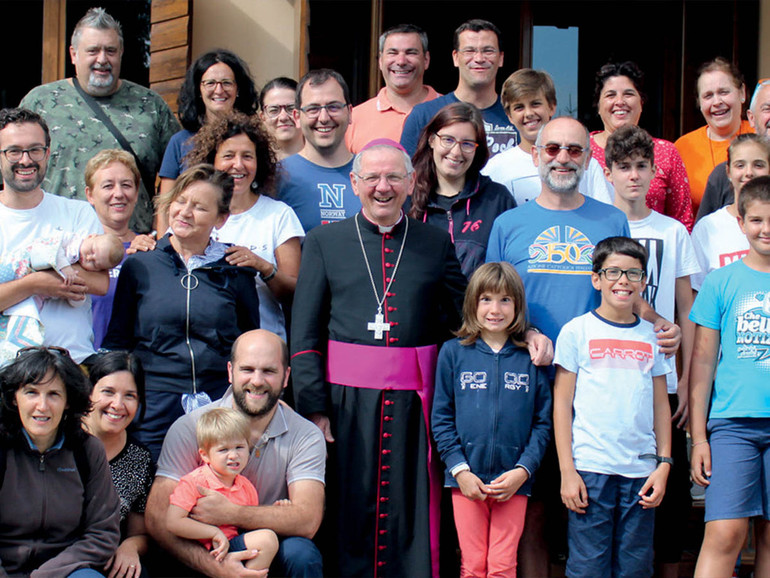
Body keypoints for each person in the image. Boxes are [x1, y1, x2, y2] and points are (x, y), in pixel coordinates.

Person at [486, 116, 680, 577]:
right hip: (525, 382)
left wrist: (658, 323)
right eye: (552, 149)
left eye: (574, 150)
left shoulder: (609, 218)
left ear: (588, 159)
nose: (562, 158)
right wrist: (523, 332)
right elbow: (490, 300)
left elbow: (625, 285)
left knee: (598, 518)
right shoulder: (509, 222)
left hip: (599, 391)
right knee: (531, 513)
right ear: (536, 155)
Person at [290, 139, 468, 577]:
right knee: (351, 506)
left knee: (410, 510)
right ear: (355, 183)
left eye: (393, 177)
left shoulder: (433, 241)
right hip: (345, 404)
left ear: (411, 183)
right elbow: (306, 331)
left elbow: (464, 315)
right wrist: (314, 407)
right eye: (372, 177)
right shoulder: (324, 242)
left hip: (415, 406)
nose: (382, 187)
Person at [102, 164, 261, 459]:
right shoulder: (141, 263)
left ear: (221, 218)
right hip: (154, 402)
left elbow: (248, 346)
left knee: (214, 490)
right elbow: (118, 339)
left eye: (200, 207)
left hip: (218, 401)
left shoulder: (237, 270)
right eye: (181, 201)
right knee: (149, 494)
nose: (185, 213)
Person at [145, 329, 325, 578]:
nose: (257, 380)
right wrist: (217, 568)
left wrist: (231, 512)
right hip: (205, 549)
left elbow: (307, 520)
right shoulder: (191, 426)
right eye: (247, 369)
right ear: (230, 372)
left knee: (301, 554)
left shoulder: (305, 435)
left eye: (269, 371)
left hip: (263, 548)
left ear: (286, 377)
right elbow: (157, 517)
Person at [605, 125, 700, 577]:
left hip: (663, 376)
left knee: (668, 487)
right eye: (624, 167)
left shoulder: (674, 231)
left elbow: (687, 308)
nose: (634, 176)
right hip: (610, 371)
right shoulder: (600, 224)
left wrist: (687, 380)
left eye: (642, 166)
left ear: (655, 172)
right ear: (608, 173)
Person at [553, 236, 673, 578]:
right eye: (614, 272)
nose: (623, 281)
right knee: (588, 567)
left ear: (643, 282)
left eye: (633, 274)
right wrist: (567, 470)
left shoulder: (652, 336)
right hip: (591, 470)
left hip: (641, 473)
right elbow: (562, 404)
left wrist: (664, 464)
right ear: (596, 279)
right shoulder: (577, 332)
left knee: (635, 567)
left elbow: (661, 405)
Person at [431, 262, 552, 577]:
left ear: (517, 306)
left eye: (505, 300)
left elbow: (542, 424)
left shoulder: (530, 358)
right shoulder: (453, 353)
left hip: (513, 483)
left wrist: (522, 472)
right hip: (465, 481)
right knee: (472, 565)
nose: (495, 309)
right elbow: (441, 418)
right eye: (486, 299)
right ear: (472, 302)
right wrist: (460, 471)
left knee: (502, 565)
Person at [20, 7, 180, 233]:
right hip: (57, 246)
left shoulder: (151, 106)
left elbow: (181, 178)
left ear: (121, 52)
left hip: (133, 252)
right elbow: (11, 169)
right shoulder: (40, 103)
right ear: (74, 54)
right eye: (93, 50)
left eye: (110, 50)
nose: (102, 59)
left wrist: (164, 236)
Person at [689, 175, 770, 578]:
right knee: (724, 531)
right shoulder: (722, 281)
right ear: (740, 222)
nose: (765, 229)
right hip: (733, 424)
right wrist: (699, 437)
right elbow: (703, 362)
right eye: (756, 220)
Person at [0, 346, 120, 577]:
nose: (42, 406)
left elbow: (102, 532)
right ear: (14, 398)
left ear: (68, 401)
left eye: (54, 394)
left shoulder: (87, 450)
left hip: (64, 571)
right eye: (31, 392)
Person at [0, 108, 108, 364]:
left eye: (35, 150)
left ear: (47, 154)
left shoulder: (78, 212)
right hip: (8, 371)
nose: (25, 160)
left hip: (74, 364)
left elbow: (100, 283)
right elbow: (83, 278)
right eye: (14, 151)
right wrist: (34, 284)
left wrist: (15, 288)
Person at [185, 112, 303, 340]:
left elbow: (295, 293)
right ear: (212, 160)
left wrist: (262, 266)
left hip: (263, 349)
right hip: (202, 350)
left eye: (247, 156)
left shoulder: (279, 215)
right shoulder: (190, 211)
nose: (238, 165)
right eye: (228, 155)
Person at [408, 102, 514, 276]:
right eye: (448, 140)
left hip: (478, 303)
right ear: (432, 140)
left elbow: (509, 273)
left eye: (467, 144)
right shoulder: (407, 198)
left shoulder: (497, 200)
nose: (456, 152)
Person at [166, 408, 279, 572]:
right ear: (204, 455)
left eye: (239, 447)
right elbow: (173, 522)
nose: (233, 455)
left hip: (231, 546)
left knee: (266, 539)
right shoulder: (195, 482)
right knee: (267, 539)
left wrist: (275, 510)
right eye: (223, 450)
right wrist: (213, 532)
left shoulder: (246, 486)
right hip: (201, 553)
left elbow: (251, 526)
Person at [482, 68, 613, 205]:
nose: (528, 113)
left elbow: (604, 215)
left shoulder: (584, 162)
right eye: (519, 107)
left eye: (535, 104)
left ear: (552, 106)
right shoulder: (495, 169)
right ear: (509, 116)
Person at [590, 61, 694, 231]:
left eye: (628, 94)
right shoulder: (581, 152)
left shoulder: (666, 152)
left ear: (642, 102)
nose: (619, 101)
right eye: (610, 95)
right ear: (598, 106)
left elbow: (683, 220)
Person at [401, 19, 518, 158]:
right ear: (455, 58)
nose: (479, 58)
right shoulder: (423, 115)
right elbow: (406, 175)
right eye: (469, 51)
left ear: (501, 58)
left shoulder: (518, 117)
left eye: (488, 51)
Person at [0, 231, 122, 364]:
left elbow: (100, 285)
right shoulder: (72, 240)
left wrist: (77, 297)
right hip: (20, 265)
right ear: (91, 236)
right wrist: (64, 269)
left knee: (23, 321)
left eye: (94, 263)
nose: (88, 258)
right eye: (91, 251)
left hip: (69, 355)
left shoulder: (95, 246)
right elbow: (52, 250)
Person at [83, 351, 154, 578]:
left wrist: (130, 547)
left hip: (106, 557)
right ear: (89, 393)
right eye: (108, 392)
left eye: (130, 396)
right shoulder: (63, 442)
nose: (118, 404)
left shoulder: (139, 458)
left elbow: (139, 532)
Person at [159, 49, 259, 195]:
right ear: (199, 89)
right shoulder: (179, 142)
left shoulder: (253, 138)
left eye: (227, 83)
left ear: (238, 89)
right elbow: (164, 205)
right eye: (210, 83)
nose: (219, 90)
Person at [84, 150, 155, 349]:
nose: (119, 194)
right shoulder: (78, 252)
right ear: (90, 194)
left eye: (126, 185)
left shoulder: (149, 251)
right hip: (82, 366)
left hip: (131, 369)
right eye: (108, 186)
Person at [277, 69, 360, 232]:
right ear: (296, 117)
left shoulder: (372, 175)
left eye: (334, 107)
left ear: (350, 112)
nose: (323, 118)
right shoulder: (277, 176)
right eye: (313, 109)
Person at [690, 134, 770, 292]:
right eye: (740, 165)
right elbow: (696, 294)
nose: (749, 172)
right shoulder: (707, 228)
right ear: (728, 171)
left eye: (758, 165)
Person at [675, 58, 753, 216]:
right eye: (708, 96)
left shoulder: (760, 137)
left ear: (742, 93)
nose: (717, 102)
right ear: (699, 103)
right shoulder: (682, 147)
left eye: (724, 92)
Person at [346, 24, 439, 153]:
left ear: (426, 60)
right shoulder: (353, 119)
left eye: (411, 52)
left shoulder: (450, 110)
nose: (401, 61)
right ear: (380, 61)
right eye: (392, 53)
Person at [698, 78, 770, 220]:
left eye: (759, 165)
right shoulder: (723, 175)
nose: (749, 171)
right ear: (751, 118)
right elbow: (705, 233)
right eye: (767, 109)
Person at [259, 77, 304, 160]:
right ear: (262, 117)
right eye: (274, 110)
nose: (283, 117)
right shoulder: (253, 166)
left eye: (291, 108)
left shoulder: (324, 162)